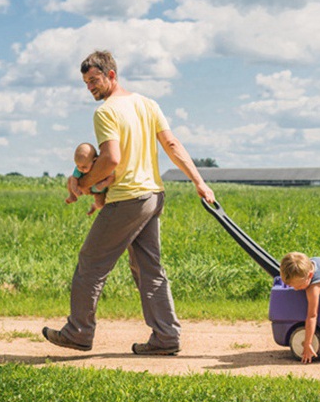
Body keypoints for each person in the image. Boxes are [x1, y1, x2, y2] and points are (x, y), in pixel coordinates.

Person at [43, 50, 215, 356]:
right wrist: (199, 182)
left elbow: (111, 158)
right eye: (85, 82)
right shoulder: (148, 104)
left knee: (91, 263)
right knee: (149, 269)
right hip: (153, 196)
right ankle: (166, 336)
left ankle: (79, 331)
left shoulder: (106, 112)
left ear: (111, 75)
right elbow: (172, 144)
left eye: (94, 80)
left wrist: (82, 184)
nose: (90, 87)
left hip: (128, 200)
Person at [64, 142, 115, 216]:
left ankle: (94, 206)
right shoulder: (80, 168)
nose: (80, 169)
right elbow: (74, 178)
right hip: (86, 186)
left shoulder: (100, 167)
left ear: (94, 160)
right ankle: (72, 196)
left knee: (101, 204)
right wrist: (74, 189)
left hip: (99, 191)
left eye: (84, 167)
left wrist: (103, 184)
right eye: (78, 165)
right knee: (70, 179)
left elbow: (111, 177)